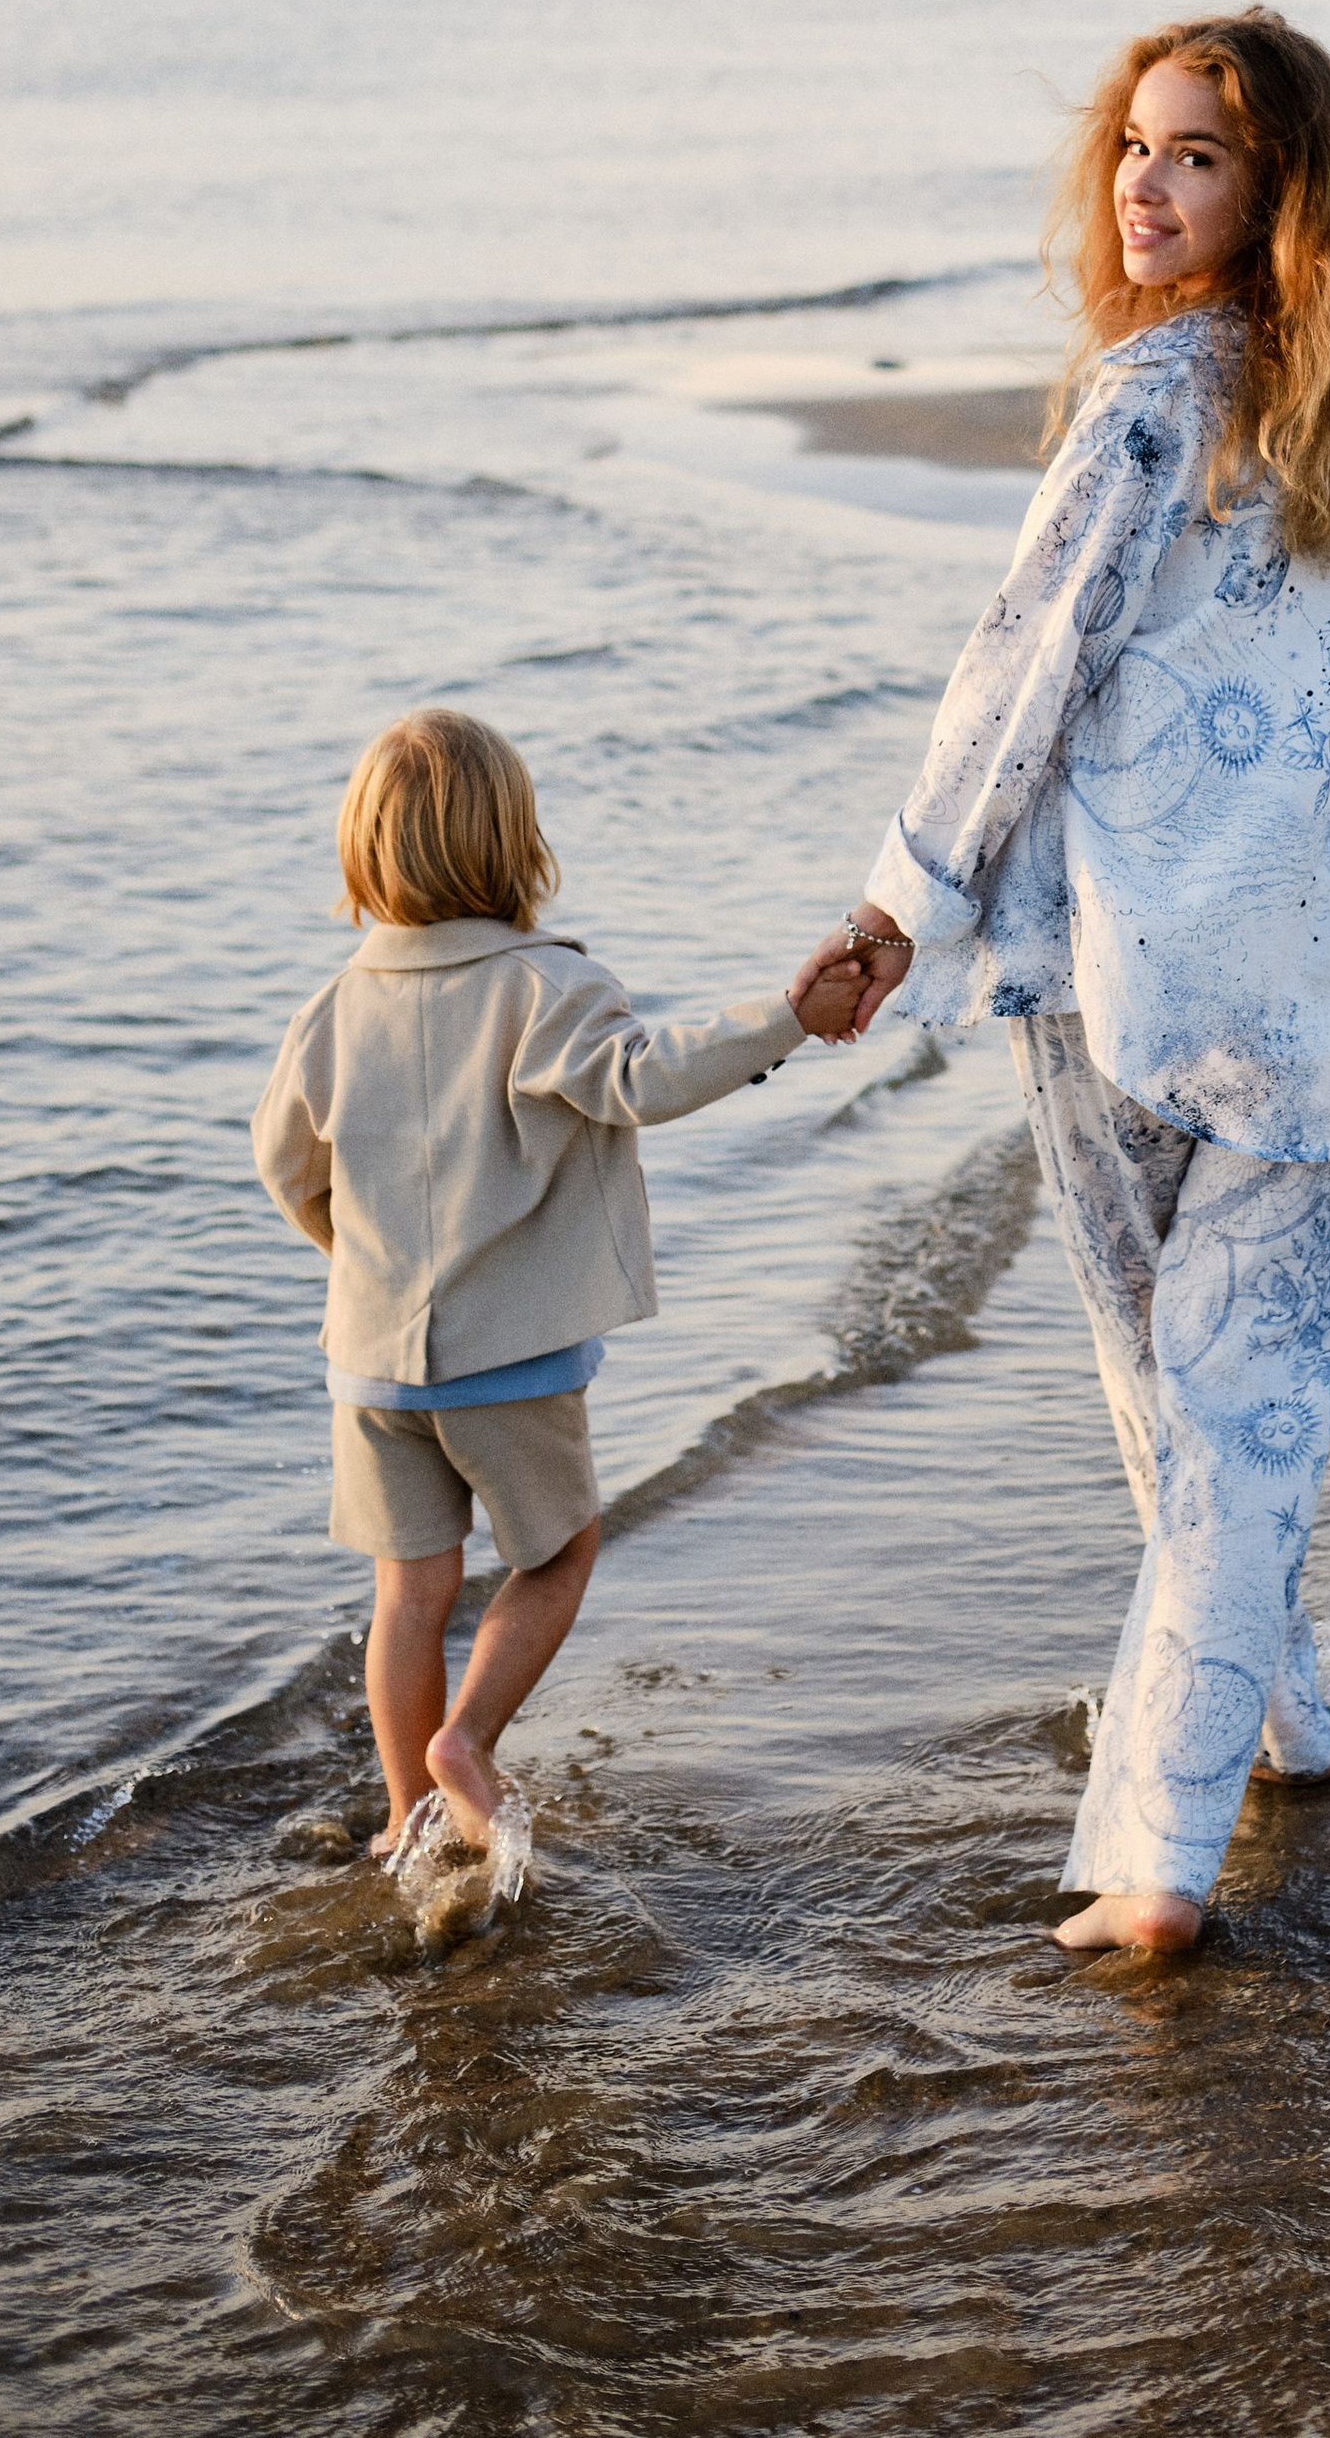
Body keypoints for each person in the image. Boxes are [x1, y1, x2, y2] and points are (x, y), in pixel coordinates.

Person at [818, 9, 1330, 1955]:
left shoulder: (1144, 409)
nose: (1142, 183)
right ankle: (1281, 1726)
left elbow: (1020, 673)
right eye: (1136, 147)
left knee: (1180, 1414)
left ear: (1277, 197)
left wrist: (894, 911)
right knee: (1243, 1414)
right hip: (1324, 1004)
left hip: (1129, 990)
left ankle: (1156, 1865)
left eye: (1193, 155)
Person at [254, 706, 865, 1858]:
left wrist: (359, 1265)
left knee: (408, 1593)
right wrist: (786, 1017)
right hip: (510, 1363)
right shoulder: (542, 988)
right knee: (557, 1553)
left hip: (371, 1363)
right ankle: (467, 1743)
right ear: (509, 844)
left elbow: (287, 1168)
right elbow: (646, 1078)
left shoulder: (328, 1011)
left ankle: (404, 1820)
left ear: (363, 852)